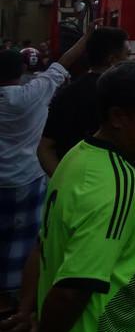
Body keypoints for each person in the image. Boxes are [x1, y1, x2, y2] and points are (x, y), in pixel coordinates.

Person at [0, 61, 135, 332]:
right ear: (118, 118)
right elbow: (75, 288)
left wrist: (26, 311)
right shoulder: (114, 184)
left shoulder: (76, 157)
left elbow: (42, 245)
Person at [0, 22, 94, 315]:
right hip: (28, 180)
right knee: (29, 240)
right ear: (21, 71)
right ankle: (17, 300)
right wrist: (88, 37)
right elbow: (63, 62)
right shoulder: (37, 92)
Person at [38, 28, 130, 177]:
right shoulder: (125, 96)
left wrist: (62, 182)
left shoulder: (67, 94)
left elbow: (44, 147)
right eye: (127, 55)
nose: (130, 61)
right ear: (112, 59)